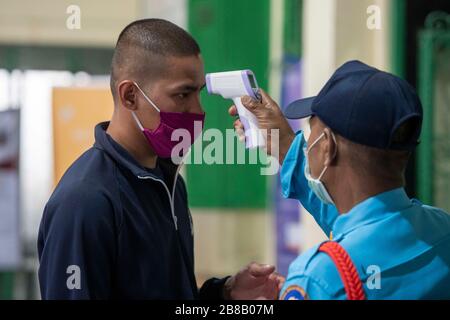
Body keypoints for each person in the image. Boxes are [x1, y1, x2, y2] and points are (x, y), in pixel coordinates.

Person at [38, 19, 283, 300]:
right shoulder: (85, 201)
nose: (197, 109)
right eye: (182, 94)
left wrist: (224, 295)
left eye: (198, 93)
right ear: (130, 96)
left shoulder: (169, 184)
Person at [231, 60, 450, 299]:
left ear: (327, 145)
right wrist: (284, 144)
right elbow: (363, 224)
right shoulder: (441, 229)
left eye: (310, 127)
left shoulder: (320, 278)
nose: (307, 140)